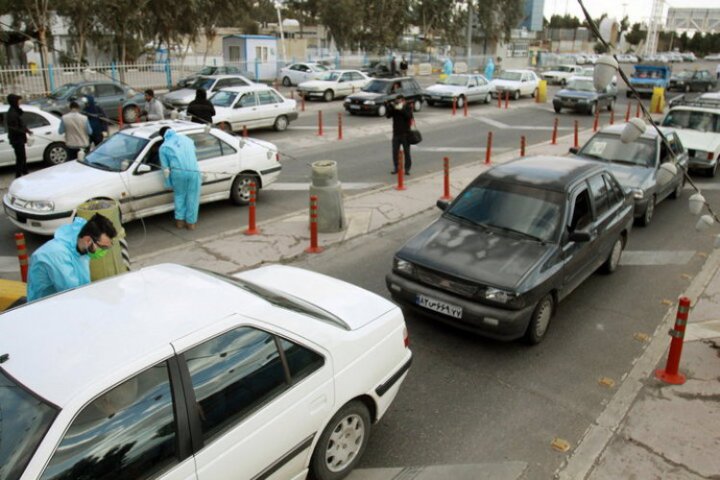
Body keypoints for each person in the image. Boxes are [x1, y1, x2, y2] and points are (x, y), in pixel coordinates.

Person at [26, 213, 118, 302]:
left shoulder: (81, 244)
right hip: (44, 307)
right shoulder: (58, 255)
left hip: (68, 299)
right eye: (103, 247)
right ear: (88, 240)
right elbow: (72, 294)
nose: (104, 251)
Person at [159, 127, 202, 230]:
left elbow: (165, 169)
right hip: (193, 171)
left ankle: (180, 222)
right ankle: (191, 224)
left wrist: (168, 183)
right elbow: (193, 154)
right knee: (193, 197)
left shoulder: (164, 147)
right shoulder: (187, 139)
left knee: (179, 196)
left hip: (178, 173)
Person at [5, 93, 33, 178]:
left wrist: (27, 130)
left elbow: (21, 123)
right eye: (18, 101)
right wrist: (24, 131)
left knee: (22, 157)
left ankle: (25, 173)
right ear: (14, 102)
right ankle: (19, 176)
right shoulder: (11, 114)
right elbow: (14, 128)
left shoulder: (15, 111)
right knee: (20, 158)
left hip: (19, 138)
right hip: (17, 140)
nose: (19, 102)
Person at [385, 94, 413, 175]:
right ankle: (396, 167)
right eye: (397, 101)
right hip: (396, 134)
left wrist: (401, 109)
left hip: (405, 134)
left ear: (403, 101)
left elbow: (408, 116)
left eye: (399, 101)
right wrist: (388, 106)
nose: (398, 103)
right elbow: (388, 116)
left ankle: (407, 169)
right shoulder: (395, 108)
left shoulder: (407, 107)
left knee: (407, 152)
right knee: (395, 152)